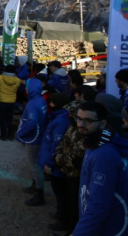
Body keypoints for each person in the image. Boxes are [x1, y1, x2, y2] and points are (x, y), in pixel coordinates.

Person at [72, 102, 128, 236]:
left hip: (107, 228)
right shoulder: (94, 142)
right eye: (79, 119)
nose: (81, 124)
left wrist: (79, 233)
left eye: (88, 121)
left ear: (103, 123)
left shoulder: (104, 154)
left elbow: (99, 203)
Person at [37, 93, 71, 230]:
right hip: (55, 162)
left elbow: (56, 145)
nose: (49, 105)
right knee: (59, 191)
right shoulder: (59, 118)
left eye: (51, 102)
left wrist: (49, 162)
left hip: (57, 164)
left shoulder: (60, 121)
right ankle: (60, 213)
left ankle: (63, 220)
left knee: (61, 191)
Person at [54, 99, 86, 234]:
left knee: (74, 206)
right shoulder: (71, 128)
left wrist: (61, 160)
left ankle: (72, 230)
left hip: (76, 176)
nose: (70, 116)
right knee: (65, 199)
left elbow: (77, 157)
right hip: (66, 171)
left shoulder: (84, 133)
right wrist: (59, 159)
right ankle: (64, 222)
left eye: (73, 114)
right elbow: (61, 145)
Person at [15, 77, 47, 205]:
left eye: (27, 86)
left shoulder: (33, 103)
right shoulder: (40, 100)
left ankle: (40, 194)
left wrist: (21, 134)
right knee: (35, 165)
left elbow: (32, 122)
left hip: (34, 138)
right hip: (39, 135)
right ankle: (35, 185)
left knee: (34, 165)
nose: (26, 88)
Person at [0, 65, 21, 141]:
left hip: (1, 100)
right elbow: (17, 89)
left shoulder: (0, 77)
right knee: (10, 118)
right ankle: (10, 135)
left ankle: (3, 136)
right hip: (11, 101)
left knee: (2, 119)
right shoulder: (17, 80)